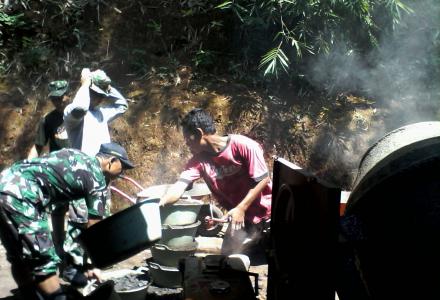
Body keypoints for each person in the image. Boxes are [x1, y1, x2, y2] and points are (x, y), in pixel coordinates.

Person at [0, 142, 135, 300]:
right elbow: (94, 229)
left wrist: (59, 247)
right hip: (22, 195)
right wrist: (92, 265)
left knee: (18, 257)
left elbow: (59, 211)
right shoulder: (96, 176)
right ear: (111, 162)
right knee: (44, 262)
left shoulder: (74, 157)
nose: (121, 174)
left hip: (4, 183)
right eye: (122, 168)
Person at [159, 108, 272, 260]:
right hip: (241, 220)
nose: (186, 143)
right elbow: (179, 186)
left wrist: (241, 208)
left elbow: (263, 179)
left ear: (199, 133)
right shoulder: (198, 161)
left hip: (267, 214)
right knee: (229, 259)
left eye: (187, 138)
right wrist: (160, 203)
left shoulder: (243, 146)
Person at [62, 68, 129, 284]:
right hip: (81, 180)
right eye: (97, 94)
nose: (100, 99)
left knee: (98, 222)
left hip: (102, 179)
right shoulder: (74, 115)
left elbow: (122, 105)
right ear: (88, 91)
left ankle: (91, 266)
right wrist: (85, 82)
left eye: (103, 96)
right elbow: (80, 106)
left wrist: (107, 86)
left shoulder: (100, 114)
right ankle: (73, 271)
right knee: (80, 223)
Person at [27, 80, 70, 159]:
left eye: (60, 98)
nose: (57, 102)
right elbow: (38, 147)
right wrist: (27, 165)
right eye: (53, 99)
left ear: (68, 95)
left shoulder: (82, 115)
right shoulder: (48, 120)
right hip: (58, 167)